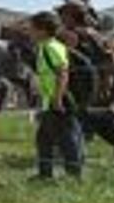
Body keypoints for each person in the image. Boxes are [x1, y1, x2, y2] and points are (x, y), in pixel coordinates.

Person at [28, 12, 83, 180]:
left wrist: (57, 98)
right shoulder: (44, 47)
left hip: (58, 101)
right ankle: (45, 173)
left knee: (67, 138)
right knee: (43, 139)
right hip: (48, 100)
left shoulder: (51, 47)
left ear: (42, 30)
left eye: (32, 28)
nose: (30, 32)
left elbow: (62, 73)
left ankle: (74, 175)